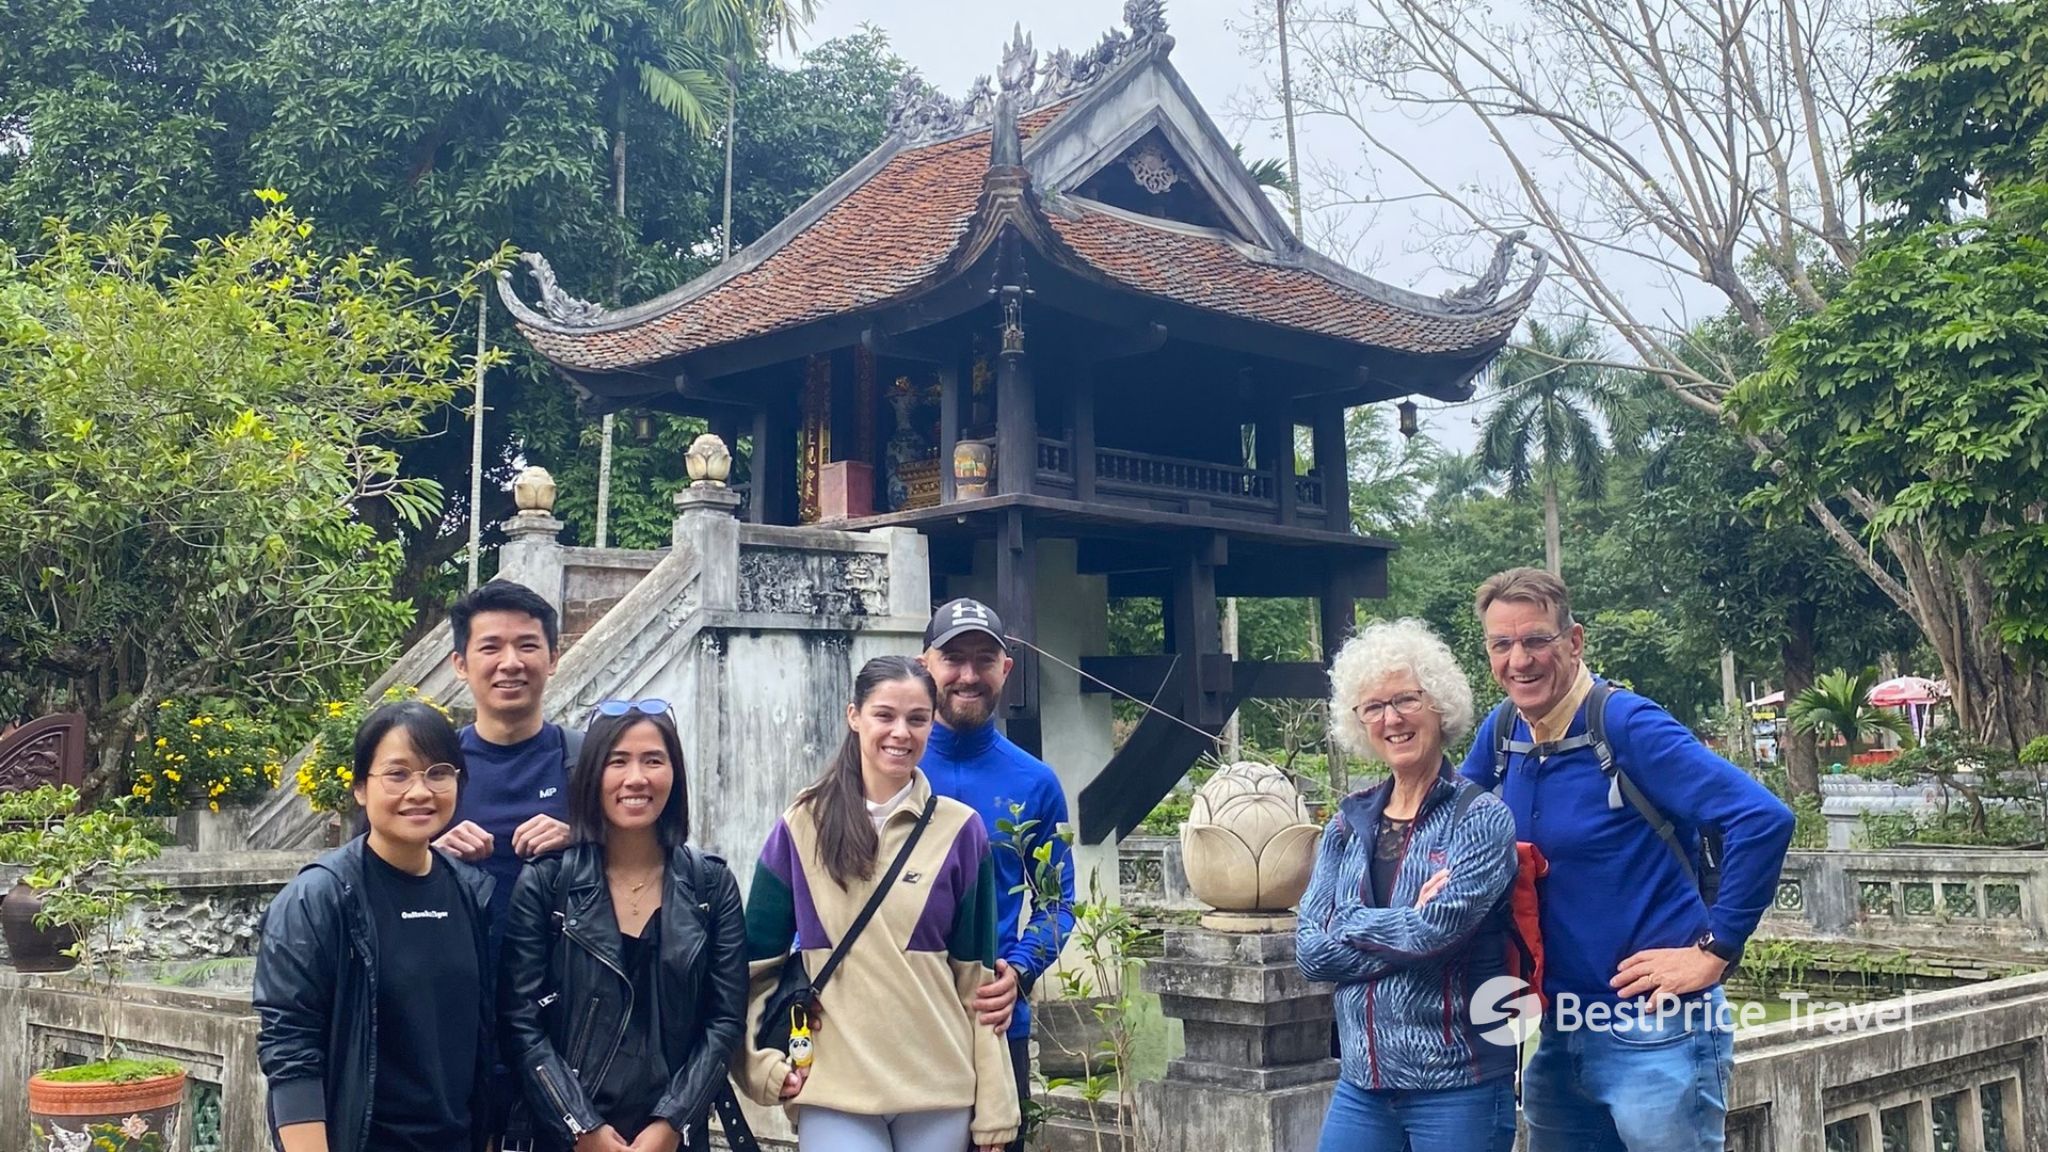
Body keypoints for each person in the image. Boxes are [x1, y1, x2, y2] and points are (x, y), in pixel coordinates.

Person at [1458, 568, 1796, 1152]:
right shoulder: (1505, 729)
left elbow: (1762, 818)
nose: (1520, 660)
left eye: (1536, 639)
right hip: (1559, 1031)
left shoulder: (1625, 724)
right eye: (1501, 644)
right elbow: (1453, 819)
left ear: (1574, 641)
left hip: (1657, 1027)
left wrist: (1715, 949)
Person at [735, 655, 1019, 1152]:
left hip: (940, 1088)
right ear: (854, 716)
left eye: (916, 719)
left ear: (933, 723)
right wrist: (760, 1065)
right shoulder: (803, 826)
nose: (900, 733)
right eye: (884, 715)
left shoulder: (961, 830)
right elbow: (752, 966)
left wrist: (995, 1109)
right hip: (835, 1089)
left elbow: (976, 980)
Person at [1298, 618, 1520, 1152]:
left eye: (1405, 700)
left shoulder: (1482, 818)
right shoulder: (1347, 823)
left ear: (1439, 707)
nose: (1391, 719)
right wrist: (1409, 928)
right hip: (1362, 1084)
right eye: (1373, 707)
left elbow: (1434, 933)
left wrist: (1349, 924)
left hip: (1458, 1084)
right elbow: (1309, 952)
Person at [498, 703, 748, 1152]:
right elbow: (520, 1022)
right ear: (593, 773)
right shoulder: (549, 882)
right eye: (618, 761)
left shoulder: (710, 884)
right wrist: (581, 1127)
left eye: (653, 760)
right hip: (564, 1135)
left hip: (674, 1137)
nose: (636, 778)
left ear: (674, 774)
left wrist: (672, 1122)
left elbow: (724, 1020)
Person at [254, 701, 494, 1152]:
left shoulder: (470, 891)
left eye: (438, 773)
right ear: (361, 788)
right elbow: (290, 1051)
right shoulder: (317, 900)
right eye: (398, 774)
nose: (420, 791)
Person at [917, 597, 1076, 1149]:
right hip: (896, 1021)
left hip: (993, 1023)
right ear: (925, 665)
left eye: (984, 659)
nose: (967, 675)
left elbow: (1058, 903)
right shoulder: (886, 770)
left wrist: (1020, 969)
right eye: (953, 658)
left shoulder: (1034, 782)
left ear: (1005, 670)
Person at [436, 580, 578, 942]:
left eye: (527, 646)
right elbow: (374, 869)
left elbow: (648, 861)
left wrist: (583, 840)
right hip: (457, 981)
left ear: (553, 659)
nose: (511, 663)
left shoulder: (589, 762)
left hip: (568, 985)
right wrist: (433, 856)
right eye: (490, 647)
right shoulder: (434, 770)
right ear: (460, 664)